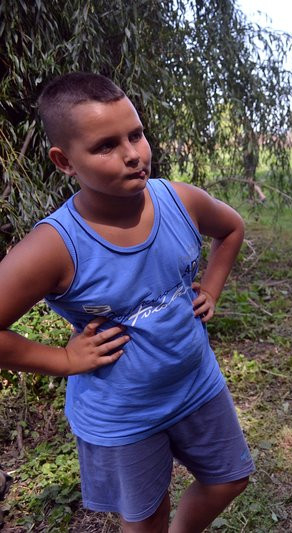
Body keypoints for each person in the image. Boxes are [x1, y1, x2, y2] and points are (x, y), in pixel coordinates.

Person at [0, 72, 254, 532]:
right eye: (105, 146)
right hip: (123, 414)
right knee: (145, 518)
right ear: (64, 161)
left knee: (231, 478)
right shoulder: (55, 246)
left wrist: (211, 289)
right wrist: (61, 359)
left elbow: (231, 228)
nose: (134, 154)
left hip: (197, 386)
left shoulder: (180, 201)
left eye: (136, 134)